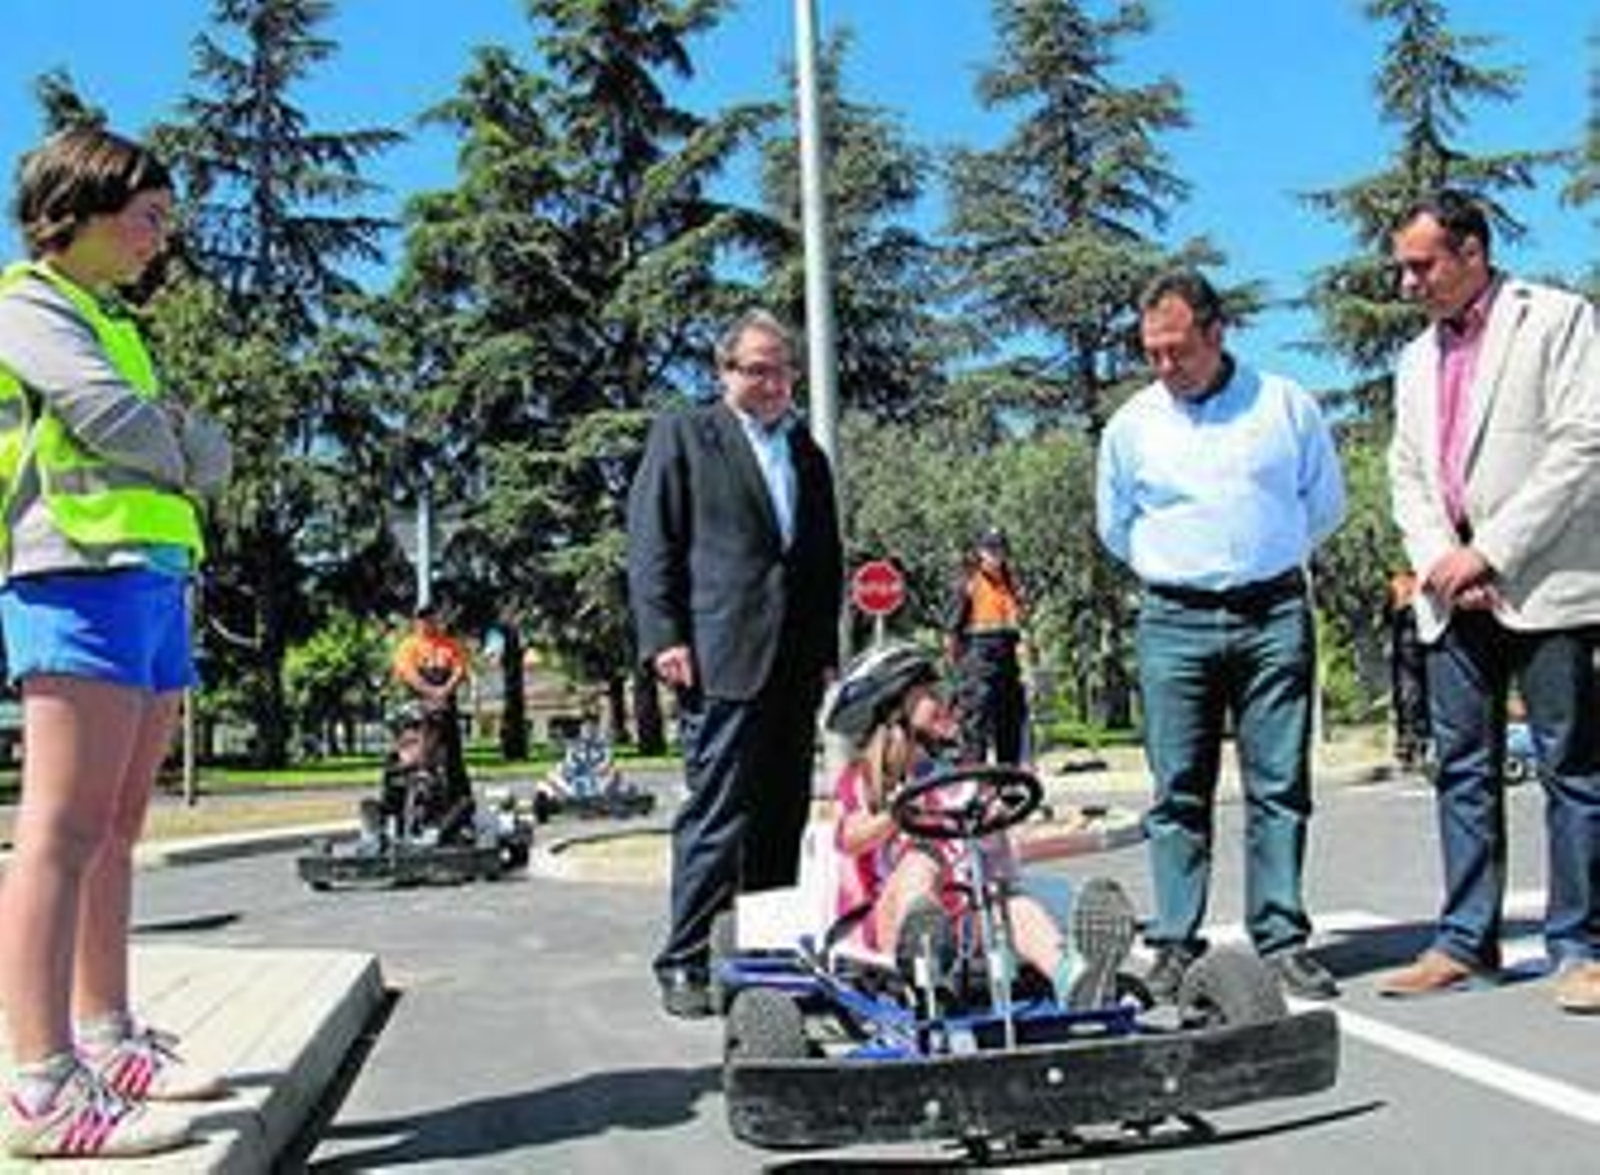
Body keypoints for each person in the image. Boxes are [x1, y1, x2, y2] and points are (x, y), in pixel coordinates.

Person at [0, 127, 232, 1159]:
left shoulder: (110, 320)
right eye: (146, 217)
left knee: (120, 822)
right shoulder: (28, 307)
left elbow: (190, 443)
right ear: (79, 210)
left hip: (149, 579)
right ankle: (42, 1083)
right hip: (75, 579)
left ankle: (106, 1033)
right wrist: (177, 435)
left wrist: (176, 436)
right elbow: (113, 421)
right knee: (60, 828)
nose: (159, 238)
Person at [1095, 268, 1347, 1002]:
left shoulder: (1284, 406)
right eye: (1152, 352)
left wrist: (1257, 560)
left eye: (1178, 349)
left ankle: (1281, 939)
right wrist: (1185, 567)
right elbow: (1115, 526)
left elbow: (1323, 505)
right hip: (1172, 617)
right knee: (1178, 789)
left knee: (1279, 784)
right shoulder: (1132, 425)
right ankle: (1175, 941)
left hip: (1272, 613)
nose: (1165, 366)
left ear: (1217, 332)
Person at [1377, 190, 1600, 1012]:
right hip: (1450, 592)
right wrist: (1440, 556)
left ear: (1472, 252)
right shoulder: (1412, 359)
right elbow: (1406, 470)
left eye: (1422, 264)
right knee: (1461, 769)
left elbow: (1585, 441)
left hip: (1545, 584)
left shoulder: (1557, 319)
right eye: (1402, 266)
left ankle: (1580, 945)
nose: (1408, 282)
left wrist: (1491, 550)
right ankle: (1466, 940)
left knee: (1571, 765)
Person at [626, 308, 844, 1017]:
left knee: (781, 815)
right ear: (725, 372)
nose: (776, 381)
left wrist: (824, 653)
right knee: (718, 814)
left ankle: (767, 952)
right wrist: (665, 637)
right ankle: (685, 957)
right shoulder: (688, 435)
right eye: (759, 368)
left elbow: (821, 559)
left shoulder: (806, 451)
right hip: (719, 655)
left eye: (783, 368)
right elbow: (652, 541)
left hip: (792, 662)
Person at [826, 643, 1137, 1010]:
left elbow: (997, 856)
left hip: (960, 919)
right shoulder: (862, 782)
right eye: (928, 695)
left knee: (1012, 904)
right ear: (893, 710)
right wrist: (895, 814)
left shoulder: (956, 779)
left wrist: (992, 822)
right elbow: (848, 838)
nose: (943, 702)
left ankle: (1075, 978)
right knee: (921, 858)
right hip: (883, 927)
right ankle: (927, 972)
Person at [943, 527, 1028, 765]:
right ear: (980, 552)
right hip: (978, 659)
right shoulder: (968, 583)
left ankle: (1008, 785)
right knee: (976, 723)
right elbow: (951, 633)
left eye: (1000, 548)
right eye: (991, 549)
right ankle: (976, 785)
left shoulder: (1010, 582)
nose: (996, 554)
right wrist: (959, 673)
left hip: (1008, 660)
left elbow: (1019, 623)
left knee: (1010, 720)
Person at [390, 604, 471, 811]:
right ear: (416, 622)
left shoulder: (451, 645)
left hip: (446, 709)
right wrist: (430, 692)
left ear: (437, 620)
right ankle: (403, 802)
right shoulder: (408, 646)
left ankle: (461, 805)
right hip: (415, 707)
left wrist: (444, 691)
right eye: (422, 619)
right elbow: (407, 672)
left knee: (453, 760)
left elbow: (460, 670)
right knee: (408, 755)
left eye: (431, 618)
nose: (427, 622)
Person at [1388, 570, 1431, 770]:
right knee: (1408, 700)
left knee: (1414, 699)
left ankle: (1418, 745)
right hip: (1406, 656)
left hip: (1418, 651)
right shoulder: (1398, 593)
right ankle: (1411, 745)